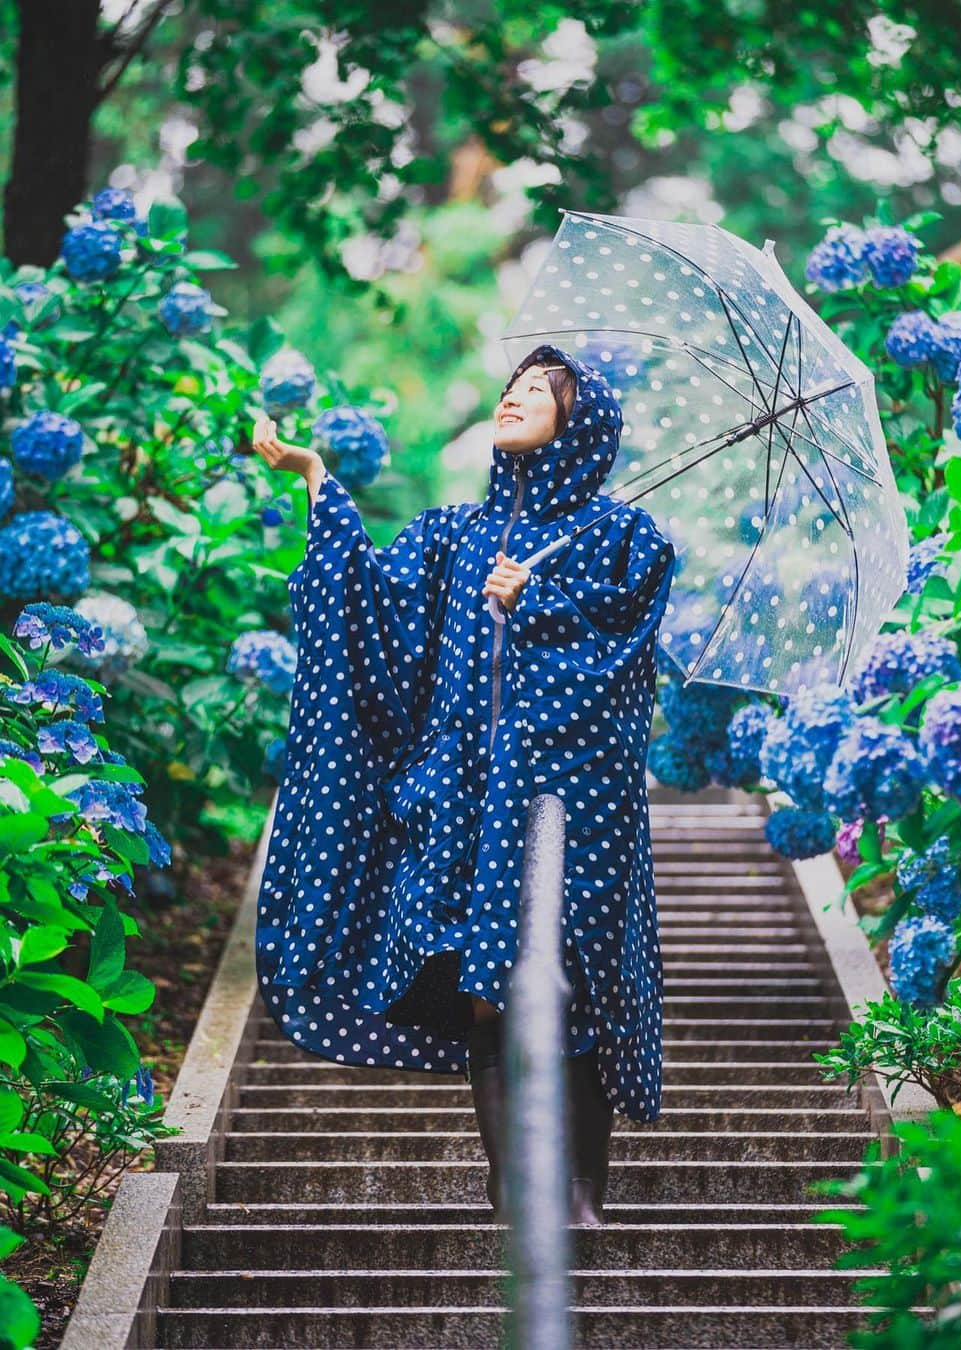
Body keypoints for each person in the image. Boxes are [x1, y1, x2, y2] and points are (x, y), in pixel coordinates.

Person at [252, 344, 676, 1227]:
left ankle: (580, 1191)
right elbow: (372, 611)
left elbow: (624, 662)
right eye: (512, 386)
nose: (515, 398)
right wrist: (315, 478)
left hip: (576, 808)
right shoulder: (450, 534)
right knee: (487, 981)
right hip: (467, 805)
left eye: (540, 391)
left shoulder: (628, 540)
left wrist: (542, 604)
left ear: (580, 422)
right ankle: (514, 1185)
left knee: (578, 984)